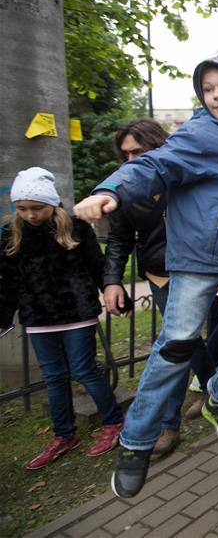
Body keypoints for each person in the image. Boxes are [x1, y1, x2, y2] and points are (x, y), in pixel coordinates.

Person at [73, 55, 218, 499]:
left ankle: (217, 398)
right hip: (198, 258)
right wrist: (109, 190)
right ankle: (135, 443)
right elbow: (153, 165)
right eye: (209, 88)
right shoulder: (197, 135)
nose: (216, 95)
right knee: (176, 348)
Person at [103, 119, 218, 455]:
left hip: (197, 270)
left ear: (158, 147)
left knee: (178, 342)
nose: (130, 161)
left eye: (137, 152)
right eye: (125, 155)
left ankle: (173, 421)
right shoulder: (125, 187)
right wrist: (112, 281)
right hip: (159, 275)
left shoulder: (186, 176)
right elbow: (118, 238)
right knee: (182, 342)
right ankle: (204, 396)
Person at [0, 168, 124, 470]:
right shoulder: (10, 234)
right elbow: (6, 280)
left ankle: (113, 422)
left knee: (84, 370)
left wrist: (112, 292)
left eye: (37, 208)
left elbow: (98, 265)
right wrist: (3, 316)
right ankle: (64, 435)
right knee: (53, 377)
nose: (30, 215)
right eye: (23, 209)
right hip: (38, 317)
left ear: (52, 204)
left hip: (77, 313)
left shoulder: (76, 227)